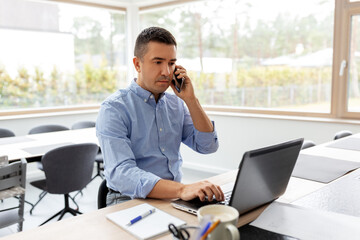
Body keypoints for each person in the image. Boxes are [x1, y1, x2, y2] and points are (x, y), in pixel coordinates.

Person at [96, 26, 224, 206]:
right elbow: (121, 173)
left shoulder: (176, 104)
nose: (166, 71)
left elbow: (208, 146)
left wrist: (191, 99)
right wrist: (182, 189)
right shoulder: (114, 109)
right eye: (158, 62)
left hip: (171, 196)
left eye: (171, 63)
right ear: (137, 64)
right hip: (128, 198)